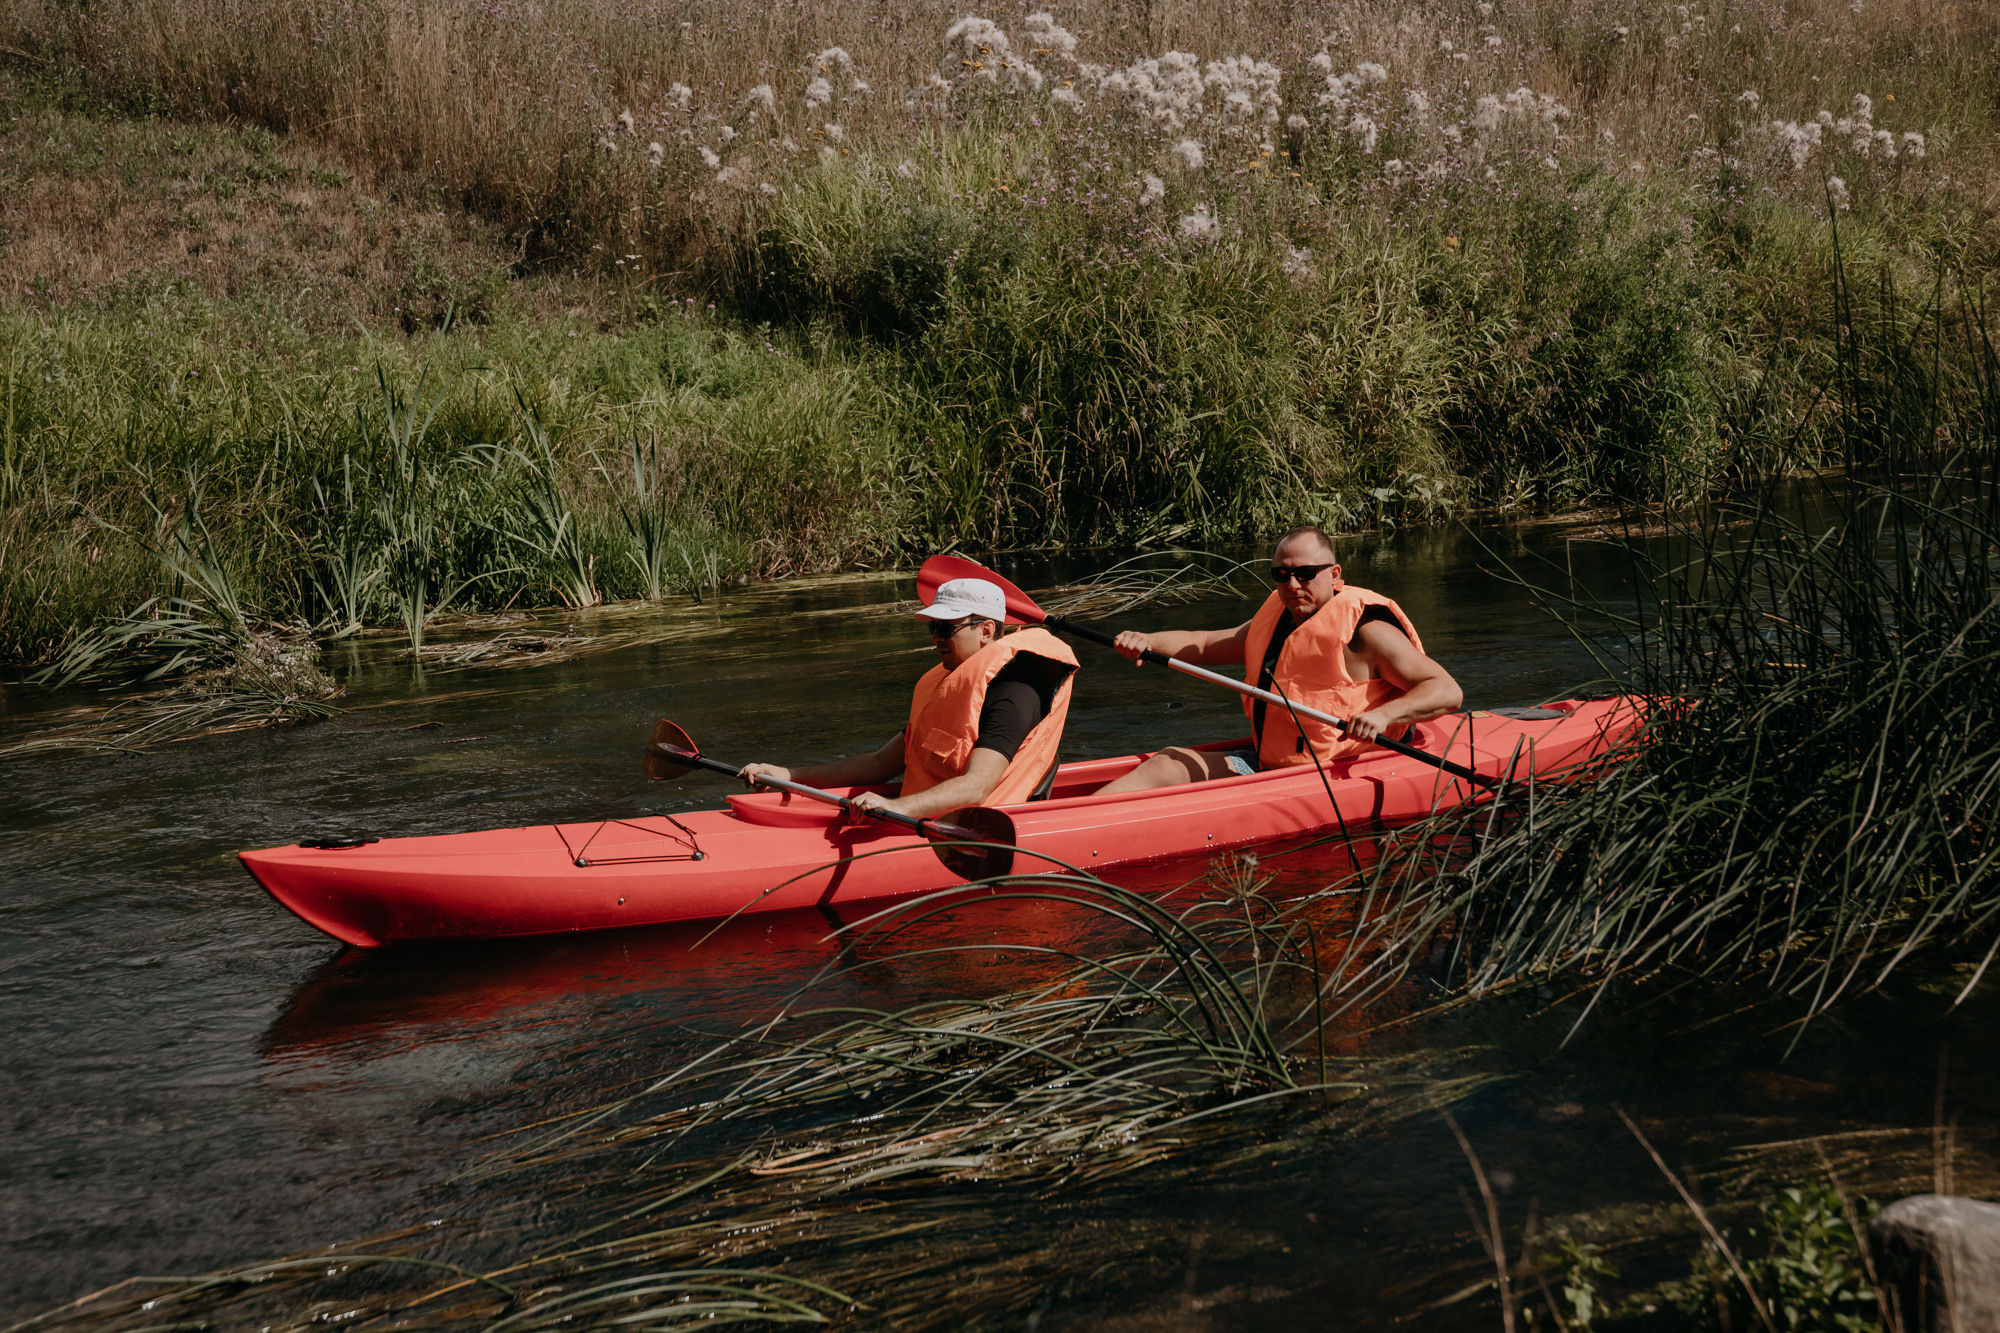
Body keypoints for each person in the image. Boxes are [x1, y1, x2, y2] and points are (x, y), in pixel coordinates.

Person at [1094, 525, 1463, 793]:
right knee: (1168, 761)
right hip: (1270, 767)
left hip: (1331, 778)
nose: (1293, 585)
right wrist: (1148, 641)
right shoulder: (1278, 620)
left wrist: (1384, 716)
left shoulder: (1366, 633)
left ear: (1334, 575)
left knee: (1166, 768)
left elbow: (1447, 690)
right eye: (1282, 574)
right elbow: (1205, 644)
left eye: (1305, 574)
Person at [740, 577, 1079, 818]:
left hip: (979, 831)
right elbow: (879, 764)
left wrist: (896, 806)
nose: (935, 638)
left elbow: (977, 787)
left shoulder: (1014, 692)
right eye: (932, 628)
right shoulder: (947, 683)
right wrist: (789, 775)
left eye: (945, 628)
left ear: (986, 630)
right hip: (920, 818)